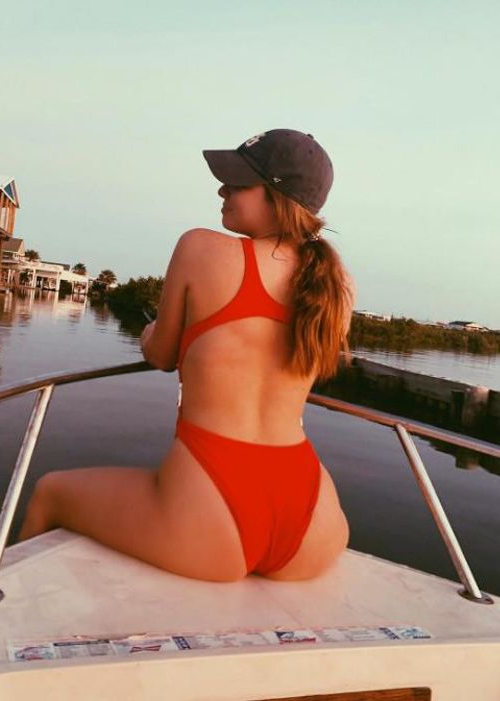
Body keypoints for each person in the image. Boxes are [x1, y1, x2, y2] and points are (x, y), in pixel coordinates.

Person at [17, 129, 354, 582]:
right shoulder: (336, 283)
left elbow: (161, 354)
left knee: (49, 492)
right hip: (312, 517)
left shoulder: (200, 247)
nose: (222, 189)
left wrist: (153, 332)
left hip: (207, 504)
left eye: (238, 182)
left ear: (276, 195)